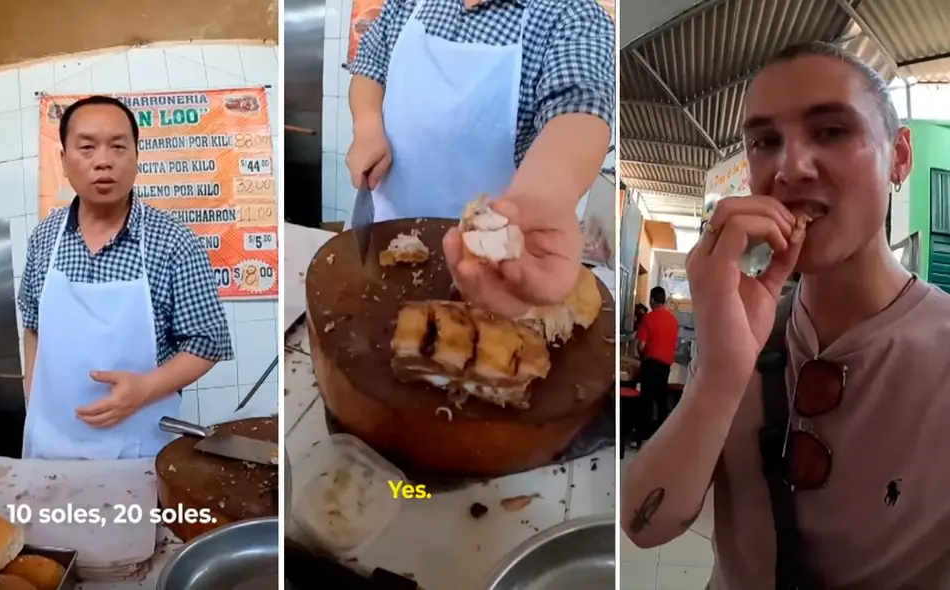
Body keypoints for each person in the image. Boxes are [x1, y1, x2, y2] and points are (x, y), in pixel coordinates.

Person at [621, 42, 950, 589]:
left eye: (832, 131)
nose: (790, 168)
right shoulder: (744, 322)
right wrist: (722, 376)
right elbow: (644, 526)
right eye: (765, 142)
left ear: (900, 155)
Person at [346, 0, 615, 317]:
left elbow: (579, 105)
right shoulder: (406, 4)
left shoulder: (571, 15)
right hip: (387, 240)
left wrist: (544, 197)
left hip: (489, 265)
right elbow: (370, 67)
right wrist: (367, 127)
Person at [19, 95, 233, 460]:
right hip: (48, 444)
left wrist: (147, 388)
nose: (103, 161)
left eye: (118, 147)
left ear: (137, 157)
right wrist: (33, 397)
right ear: (64, 161)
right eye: (86, 147)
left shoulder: (173, 242)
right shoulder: (44, 238)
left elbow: (207, 342)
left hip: (138, 449)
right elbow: (34, 326)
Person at [635, 287, 679, 438]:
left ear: (652, 300)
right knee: (661, 398)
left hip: (651, 363)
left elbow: (640, 346)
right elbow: (674, 345)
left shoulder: (648, 318)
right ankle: (661, 433)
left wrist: (641, 356)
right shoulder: (673, 320)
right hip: (665, 365)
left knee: (646, 398)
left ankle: (642, 433)